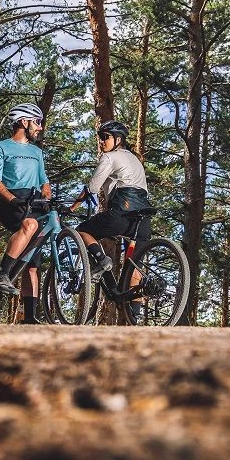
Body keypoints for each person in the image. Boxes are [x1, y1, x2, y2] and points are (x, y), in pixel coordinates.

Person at [68, 119, 151, 320]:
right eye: (100, 137)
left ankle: (102, 260)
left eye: (105, 137)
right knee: (134, 266)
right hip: (142, 218)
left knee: (82, 230)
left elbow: (93, 188)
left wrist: (71, 208)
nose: (101, 141)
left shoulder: (109, 157)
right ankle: (135, 316)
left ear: (118, 139)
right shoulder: (135, 160)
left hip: (121, 213)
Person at [0, 102, 51, 324]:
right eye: (37, 122)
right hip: (12, 201)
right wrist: (12, 199)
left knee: (32, 265)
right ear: (24, 122)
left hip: (35, 202)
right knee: (29, 226)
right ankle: (2, 275)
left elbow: (44, 181)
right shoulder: (1, 147)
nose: (40, 127)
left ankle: (30, 318)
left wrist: (46, 196)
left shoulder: (36, 152)